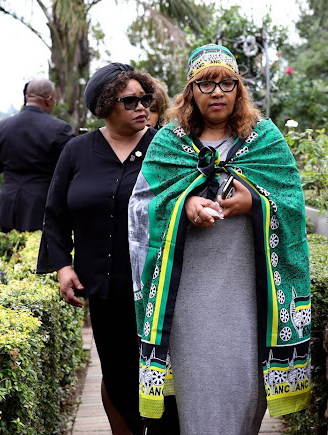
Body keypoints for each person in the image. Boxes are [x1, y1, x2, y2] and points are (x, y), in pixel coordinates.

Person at [128, 44, 312, 434]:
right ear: (190, 91)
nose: (217, 92)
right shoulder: (167, 144)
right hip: (187, 300)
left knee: (243, 387)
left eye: (226, 82)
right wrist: (186, 205)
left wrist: (256, 204)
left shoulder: (265, 140)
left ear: (239, 89)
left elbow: (293, 206)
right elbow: (140, 210)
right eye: (206, 83)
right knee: (198, 394)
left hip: (249, 298)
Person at [39, 63, 173, 435]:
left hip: (157, 287)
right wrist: (63, 267)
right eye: (130, 101)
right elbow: (54, 213)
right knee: (116, 372)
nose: (141, 107)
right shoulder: (76, 151)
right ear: (104, 105)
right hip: (102, 288)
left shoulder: (164, 147)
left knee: (161, 373)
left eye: (145, 98)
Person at [0, 78, 74, 232]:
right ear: (49, 99)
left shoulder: (1, 127)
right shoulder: (60, 129)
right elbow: (71, 171)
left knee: (10, 253)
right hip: (42, 204)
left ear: (27, 97)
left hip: (8, 204)